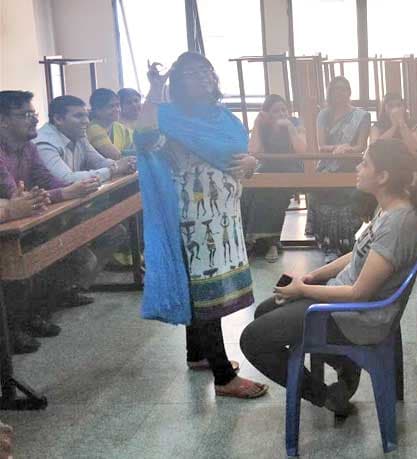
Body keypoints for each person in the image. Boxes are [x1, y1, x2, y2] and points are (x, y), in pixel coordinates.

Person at [240, 138, 417, 415]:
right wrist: (312, 276)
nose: (358, 167)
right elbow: (359, 252)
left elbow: (359, 293)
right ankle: (345, 364)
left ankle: (326, 396)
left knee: (252, 339)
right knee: (264, 312)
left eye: (364, 163)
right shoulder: (388, 207)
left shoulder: (398, 222)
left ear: (383, 176)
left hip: (357, 317)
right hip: (345, 306)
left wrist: (303, 291)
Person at [135, 53, 266, 398]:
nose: (204, 78)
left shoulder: (223, 119)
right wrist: (154, 89)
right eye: (193, 74)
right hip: (194, 220)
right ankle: (224, 377)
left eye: (207, 71)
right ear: (177, 83)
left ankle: (197, 355)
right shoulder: (168, 119)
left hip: (225, 218)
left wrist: (254, 162)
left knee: (204, 293)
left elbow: (242, 158)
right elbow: (145, 137)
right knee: (207, 296)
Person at [0, 90, 101, 353]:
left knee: (56, 251)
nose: (34, 119)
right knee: (23, 266)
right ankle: (11, 330)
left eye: (33, 113)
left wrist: (65, 191)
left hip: (22, 226)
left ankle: (32, 314)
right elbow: (14, 194)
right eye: (26, 114)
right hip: (5, 232)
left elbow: (47, 184)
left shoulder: (28, 147)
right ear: (2, 121)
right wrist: (59, 194)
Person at [308, 76, 371, 262]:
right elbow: (321, 146)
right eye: (336, 89)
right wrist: (337, 148)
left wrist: (348, 148)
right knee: (322, 198)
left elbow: (361, 146)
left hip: (350, 165)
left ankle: (345, 245)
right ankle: (329, 247)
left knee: (347, 201)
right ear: (330, 92)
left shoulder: (361, 116)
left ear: (349, 91)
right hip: (328, 164)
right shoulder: (323, 115)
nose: (340, 93)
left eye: (344, 89)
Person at [244, 94, 307, 262]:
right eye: (276, 111)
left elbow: (302, 151)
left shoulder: (295, 123)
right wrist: (257, 124)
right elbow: (254, 151)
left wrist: (290, 128)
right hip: (268, 167)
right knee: (249, 190)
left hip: (291, 167)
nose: (281, 113)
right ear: (267, 114)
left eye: (284, 109)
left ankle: (272, 242)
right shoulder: (263, 126)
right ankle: (251, 242)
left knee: (274, 192)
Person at [36, 95, 136, 185]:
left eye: (86, 116)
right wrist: (114, 169)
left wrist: (125, 164)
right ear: (58, 119)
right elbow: (66, 179)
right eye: (79, 116)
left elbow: (99, 161)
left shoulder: (79, 136)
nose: (86, 121)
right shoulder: (44, 143)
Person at [85, 88, 132, 159]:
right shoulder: (93, 128)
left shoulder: (120, 127)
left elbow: (135, 147)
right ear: (97, 110)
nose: (117, 110)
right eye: (111, 106)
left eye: (118, 105)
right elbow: (115, 155)